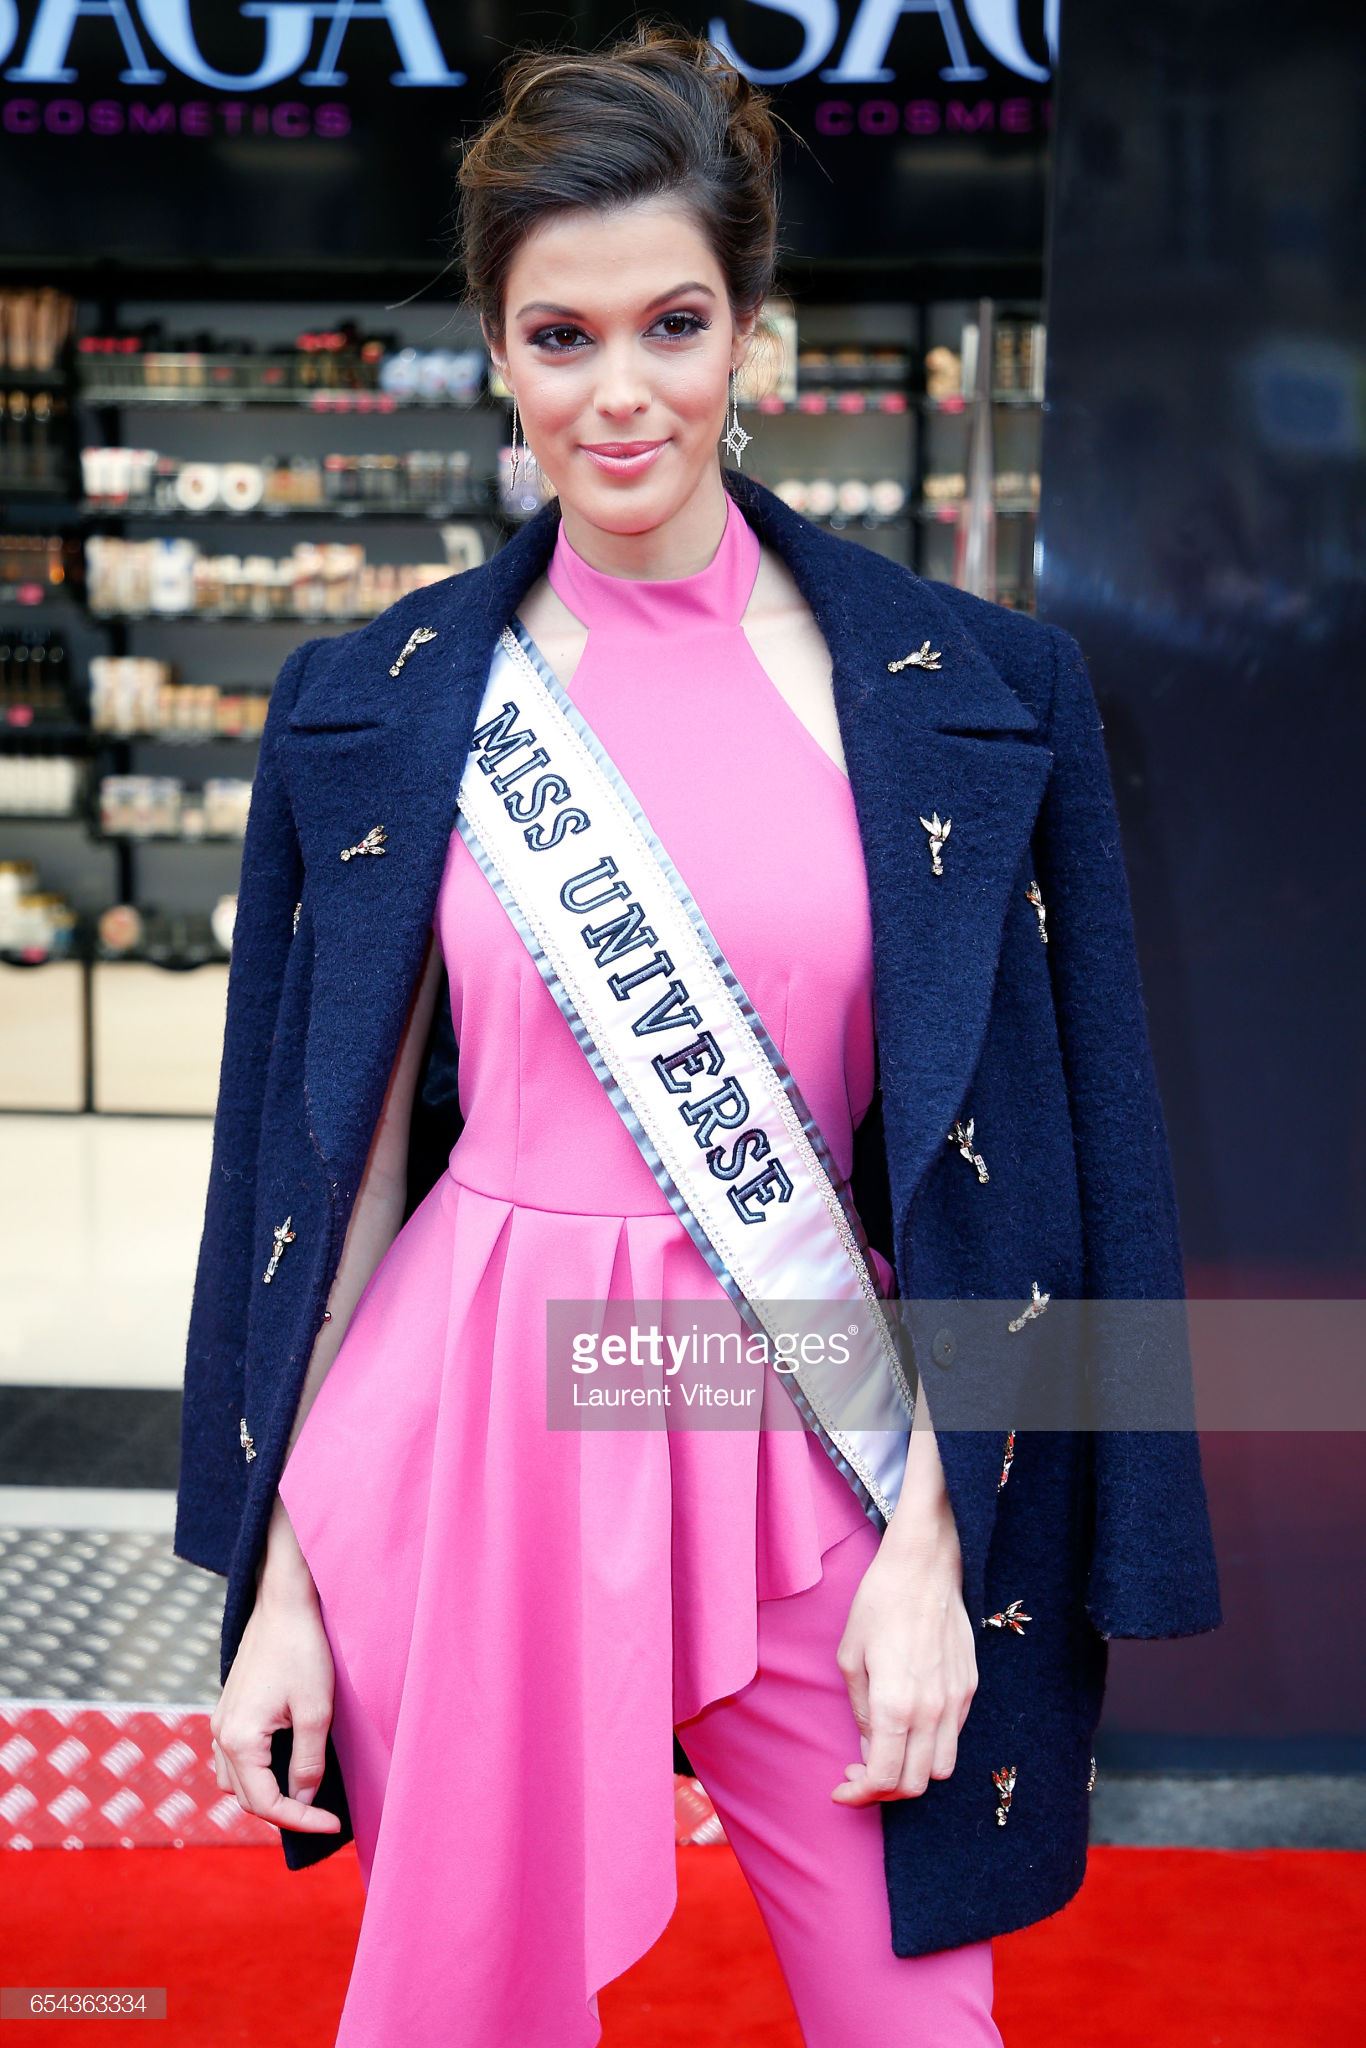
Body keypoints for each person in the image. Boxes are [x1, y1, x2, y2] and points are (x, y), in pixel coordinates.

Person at [177, 24, 1222, 2048]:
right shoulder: (376, 700)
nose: (620, 392)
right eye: (558, 337)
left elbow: (1058, 1165)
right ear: (498, 353)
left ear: (752, 332)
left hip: (816, 1431)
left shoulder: (976, 690)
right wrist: (279, 1579)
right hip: (481, 1436)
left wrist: (936, 1546)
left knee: (917, 2024)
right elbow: (326, 1180)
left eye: (670, 324)